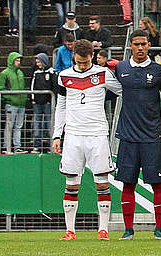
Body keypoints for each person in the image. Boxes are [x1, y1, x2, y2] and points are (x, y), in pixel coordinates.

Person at [53, 38, 121, 240]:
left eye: (85, 61)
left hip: (97, 134)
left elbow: (122, 91)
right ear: (74, 56)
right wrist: (58, 134)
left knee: (102, 181)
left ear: (92, 56)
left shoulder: (103, 74)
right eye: (79, 61)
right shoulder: (64, 76)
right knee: (71, 182)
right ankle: (70, 230)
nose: (82, 65)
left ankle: (103, 230)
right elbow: (61, 107)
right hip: (73, 135)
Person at [113, 30, 161, 240]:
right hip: (128, 135)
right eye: (136, 44)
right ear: (130, 46)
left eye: (143, 44)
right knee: (128, 183)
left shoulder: (159, 71)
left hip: (152, 136)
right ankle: (128, 229)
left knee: (157, 183)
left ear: (148, 46)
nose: (139, 48)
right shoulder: (121, 68)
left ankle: (159, 228)